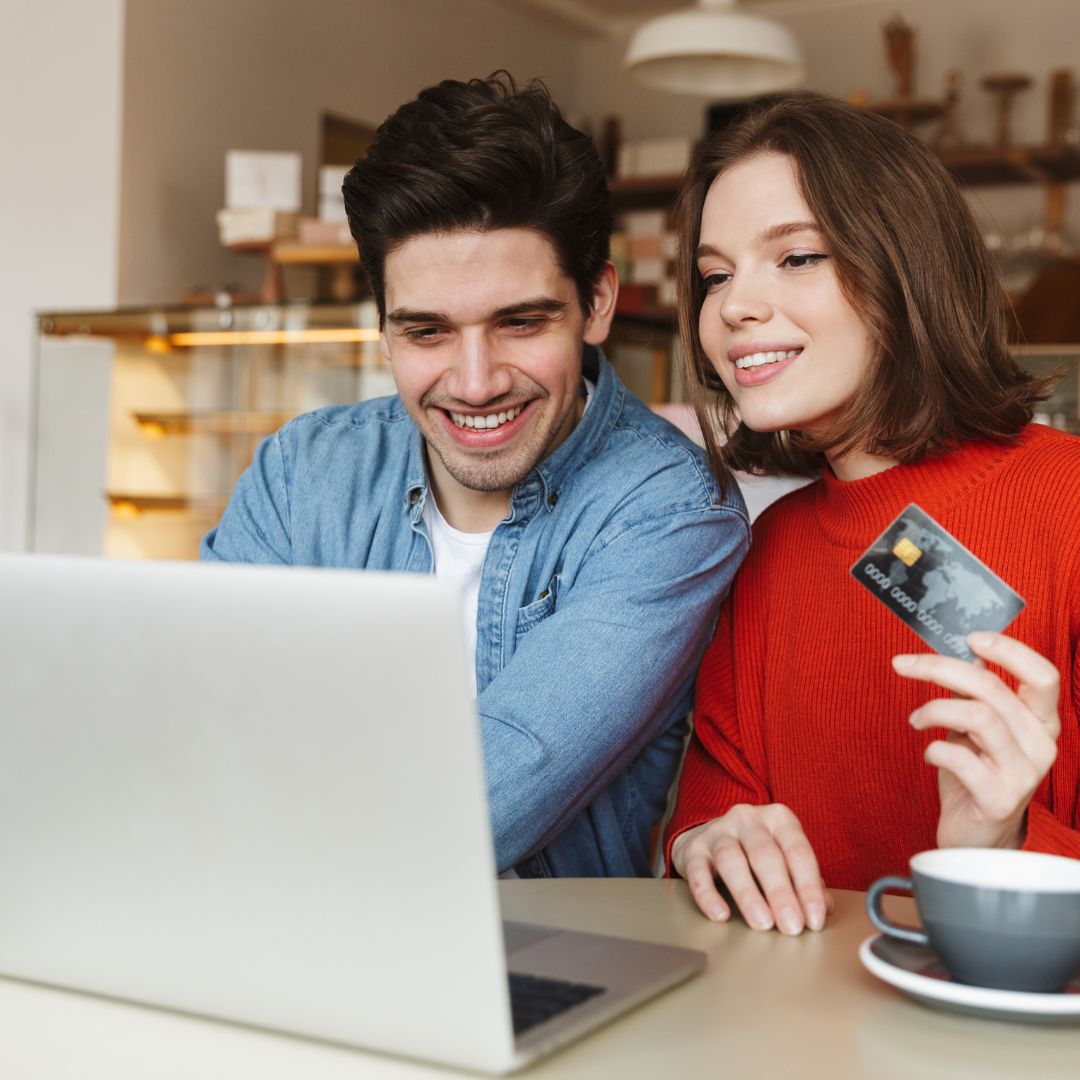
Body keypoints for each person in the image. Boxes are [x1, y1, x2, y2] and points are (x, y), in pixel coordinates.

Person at [201, 72, 750, 878]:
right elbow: (200, 732)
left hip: (538, 945)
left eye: (520, 323)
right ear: (382, 330)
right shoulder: (301, 475)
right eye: (426, 332)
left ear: (597, 303)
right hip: (279, 918)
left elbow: (478, 806)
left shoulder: (671, 512)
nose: (475, 382)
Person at [664, 91, 1080, 933]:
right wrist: (709, 841)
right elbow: (712, 807)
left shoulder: (1065, 502)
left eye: (796, 256)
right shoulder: (770, 545)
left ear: (907, 268)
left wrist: (1003, 849)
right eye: (715, 275)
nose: (734, 305)